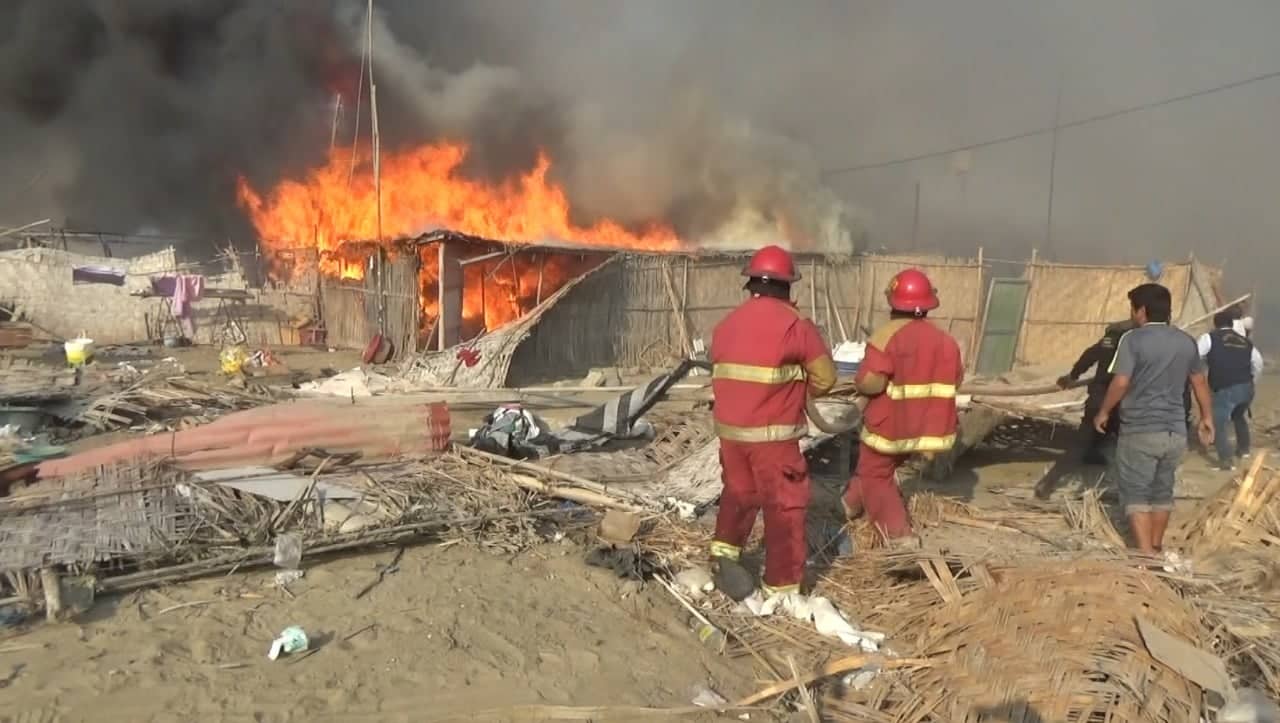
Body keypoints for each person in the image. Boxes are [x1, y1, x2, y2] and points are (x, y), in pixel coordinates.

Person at [708, 245, 836, 600]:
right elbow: (826, 380)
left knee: (738, 494)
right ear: (787, 287)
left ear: (751, 284)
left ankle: (722, 558)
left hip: (730, 436)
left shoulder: (726, 324)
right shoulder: (796, 326)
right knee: (784, 507)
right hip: (773, 438)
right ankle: (781, 586)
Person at [841, 268, 963, 547]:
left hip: (890, 427)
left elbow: (870, 383)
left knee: (875, 472)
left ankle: (900, 537)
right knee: (878, 468)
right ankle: (848, 505)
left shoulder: (886, 336)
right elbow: (956, 378)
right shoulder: (946, 341)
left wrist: (860, 382)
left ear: (893, 302)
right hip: (929, 429)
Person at [1093, 283, 1214, 556]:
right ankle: (1156, 548)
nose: (1133, 314)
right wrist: (1207, 418)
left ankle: (1145, 558)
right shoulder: (1186, 341)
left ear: (1142, 311)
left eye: (1133, 308)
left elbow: (1121, 382)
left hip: (1140, 430)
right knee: (1162, 492)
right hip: (1175, 433)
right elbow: (1199, 382)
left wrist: (1103, 412)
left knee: (1136, 494)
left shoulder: (1132, 340)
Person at [1057, 319, 1135, 464]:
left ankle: (1050, 480)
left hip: (1097, 397)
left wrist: (1073, 375)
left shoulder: (1109, 339)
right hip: (1120, 400)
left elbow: (1089, 356)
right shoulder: (1134, 340)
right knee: (1123, 441)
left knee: (1084, 439)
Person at [1197, 311, 1264, 470]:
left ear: (1215, 323)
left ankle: (1226, 461)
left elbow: (1196, 355)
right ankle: (1244, 450)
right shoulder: (1245, 341)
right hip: (1247, 387)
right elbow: (1258, 363)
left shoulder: (1210, 338)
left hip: (1225, 387)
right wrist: (1251, 382)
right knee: (1239, 416)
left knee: (1218, 423)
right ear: (1232, 323)